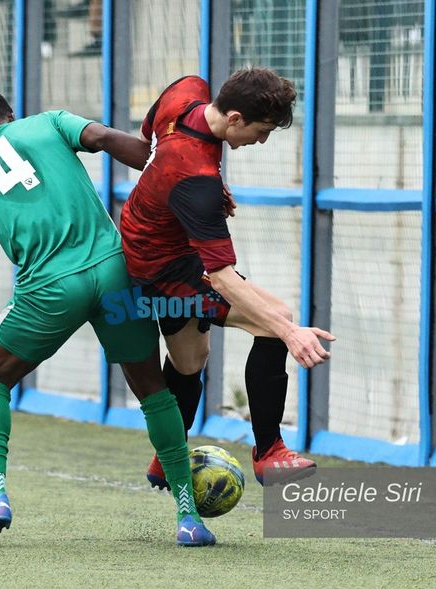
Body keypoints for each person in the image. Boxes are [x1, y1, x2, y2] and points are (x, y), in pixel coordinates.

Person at [0, 90, 215, 547]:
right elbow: (109, 138)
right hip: (116, 271)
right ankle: (189, 518)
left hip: (50, 291)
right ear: (10, 116)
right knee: (153, 389)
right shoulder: (47, 122)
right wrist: (179, 179)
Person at [120, 68, 336, 487]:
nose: (262, 140)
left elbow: (149, 138)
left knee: (190, 360)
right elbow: (219, 276)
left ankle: (166, 457)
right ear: (234, 118)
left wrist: (170, 194)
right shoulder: (196, 179)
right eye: (261, 130)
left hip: (148, 240)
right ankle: (269, 452)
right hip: (164, 267)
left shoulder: (187, 89)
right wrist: (289, 333)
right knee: (275, 318)